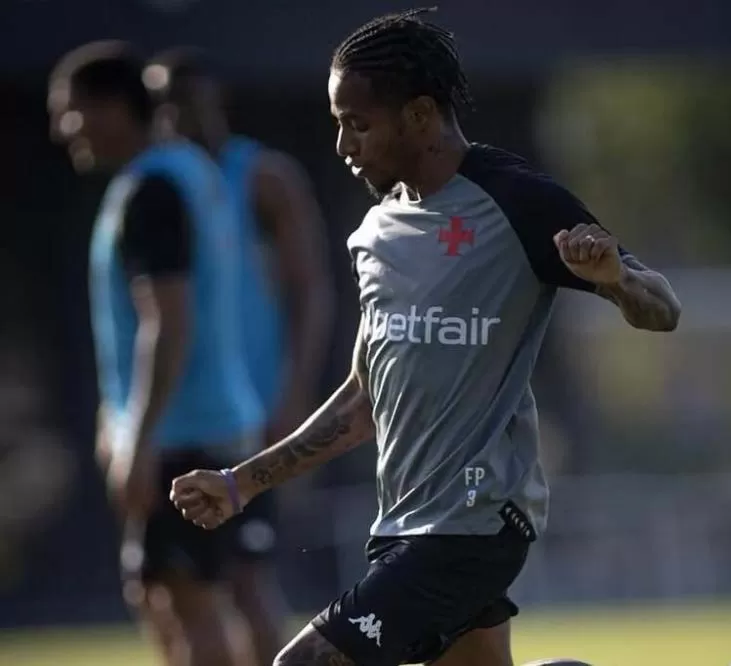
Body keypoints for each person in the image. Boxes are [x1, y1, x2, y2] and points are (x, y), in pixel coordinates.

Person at [171, 8, 681, 666]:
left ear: (418, 115)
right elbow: (362, 402)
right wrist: (242, 483)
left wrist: (613, 281)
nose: (343, 146)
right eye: (336, 125)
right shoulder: (378, 231)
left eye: (357, 124)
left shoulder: (518, 202)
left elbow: (662, 309)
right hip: (407, 522)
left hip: (474, 521)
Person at [48, 40, 265, 666]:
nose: (63, 130)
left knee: (187, 607)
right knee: (175, 597)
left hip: (182, 435)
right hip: (210, 424)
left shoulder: (152, 190)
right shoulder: (188, 172)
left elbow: (167, 322)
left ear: (115, 107)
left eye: (71, 111)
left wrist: (138, 438)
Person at [143, 47, 335, 666]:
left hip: (250, 413)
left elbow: (312, 293)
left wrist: (295, 395)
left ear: (211, 99)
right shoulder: (157, 183)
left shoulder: (261, 177)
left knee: (247, 577)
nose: (174, 115)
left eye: (183, 99)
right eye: (161, 104)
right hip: (179, 416)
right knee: (166, 590)